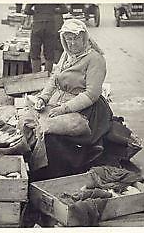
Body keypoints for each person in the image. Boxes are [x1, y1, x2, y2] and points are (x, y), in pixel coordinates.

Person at [30, 18, 113, 181]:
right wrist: (43, 97)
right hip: (62, 102)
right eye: (68, 39)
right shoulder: (67, 55)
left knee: (47, 131)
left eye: (76, 39)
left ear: (84, 38)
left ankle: (50, 177)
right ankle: (35, 171)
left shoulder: (95, 59)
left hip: (87, 110)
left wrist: (64, 109)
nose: (72, 43)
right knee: (28, 122)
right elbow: (55, 78)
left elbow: (91, 94)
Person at [24, 4, 68, 73]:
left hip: (37, 25)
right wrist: (53, 11)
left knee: (35, 52)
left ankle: (36, 75)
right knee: (49, 53)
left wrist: (36, 12)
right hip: (50, 25)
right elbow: (65, 10)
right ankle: (47, 76)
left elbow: (26, 10)